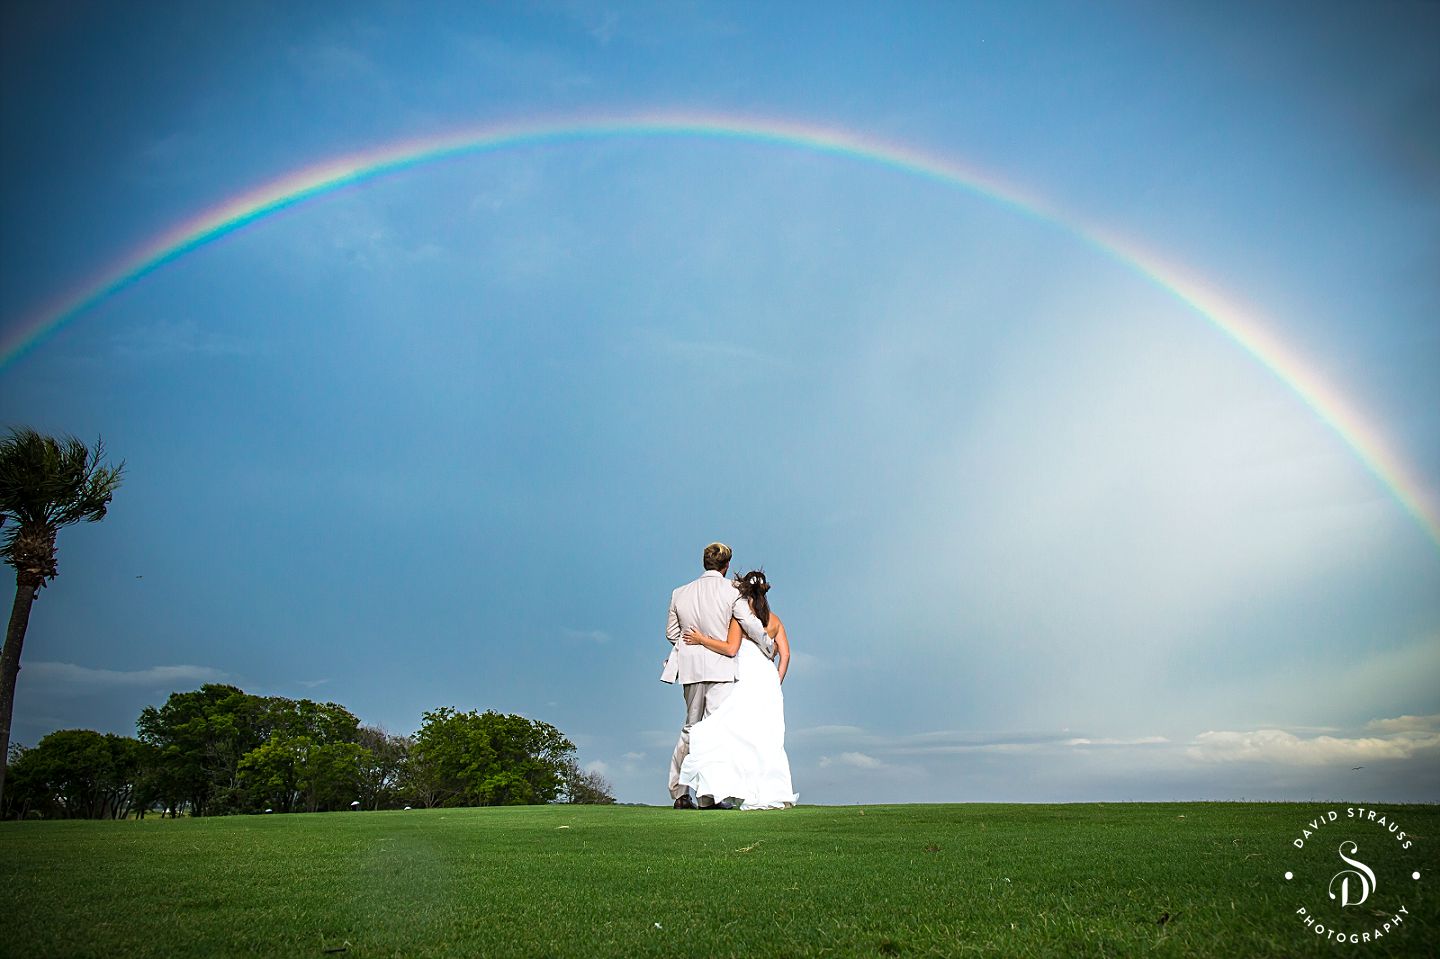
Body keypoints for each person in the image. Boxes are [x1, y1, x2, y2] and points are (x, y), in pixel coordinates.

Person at [661, 542, 775, 809]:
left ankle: (679, 794)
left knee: (689, 729)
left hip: (690, 670)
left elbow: (671, 633)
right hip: (721, 667)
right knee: (714, 731)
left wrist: (692, 648)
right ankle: (708, 797)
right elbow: (749, 623)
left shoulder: (680, 592)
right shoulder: (732, 590)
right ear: (726, 566)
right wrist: (768, 647)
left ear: (705, 563)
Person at [676, 569, 797, 810]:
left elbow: (731, 648)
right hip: (767, 681)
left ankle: (722, 789)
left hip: (744, 677)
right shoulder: (775, 620)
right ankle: (770, 790)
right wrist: (777, 681)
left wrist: (701, 639)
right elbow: (785, 654)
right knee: (766, 737)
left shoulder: (740, 618)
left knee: (730, 731)